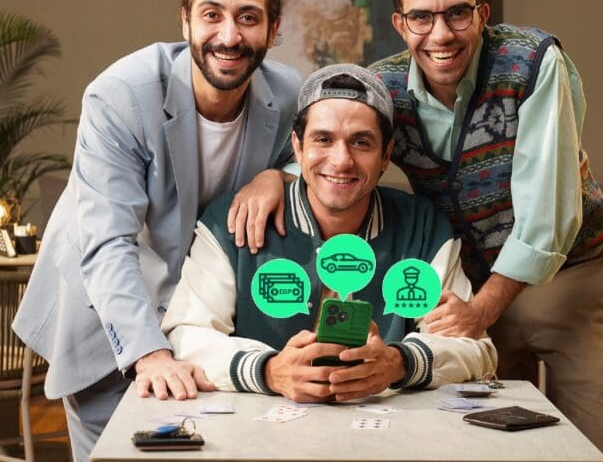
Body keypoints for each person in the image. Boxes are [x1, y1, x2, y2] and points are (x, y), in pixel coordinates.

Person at [12, 0, 302, 461]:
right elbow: (107, 242)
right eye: (211, 14)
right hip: (109, 316)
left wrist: (277, 174)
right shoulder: (120, 96)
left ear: (273, 30)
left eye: (248, 17)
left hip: (207, 324)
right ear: (185, 21)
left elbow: (322, 155)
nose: (229, 36)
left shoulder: (290, 95)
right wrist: (149, 354)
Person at [367, 0, 603, 461]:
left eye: (457, 13)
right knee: (478, 444)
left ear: (482, 14)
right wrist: (274, 179)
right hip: (467, 284)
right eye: (421, 17)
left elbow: (549, 213)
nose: (441, 33)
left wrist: (481, 311)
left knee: (595, 445)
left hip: (569, 281)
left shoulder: (532, 61)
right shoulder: (383, 87)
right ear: (400, 23)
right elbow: (325, 157)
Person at [160, 64, 496, 402]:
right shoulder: (233, 220)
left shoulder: (421, 228)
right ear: (298, 147)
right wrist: (269, 371)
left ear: (385, 156)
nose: (341, 160)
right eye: (323, 139)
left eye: (361, 142)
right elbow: (186, 334)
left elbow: (475, 349)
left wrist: (400, 363)